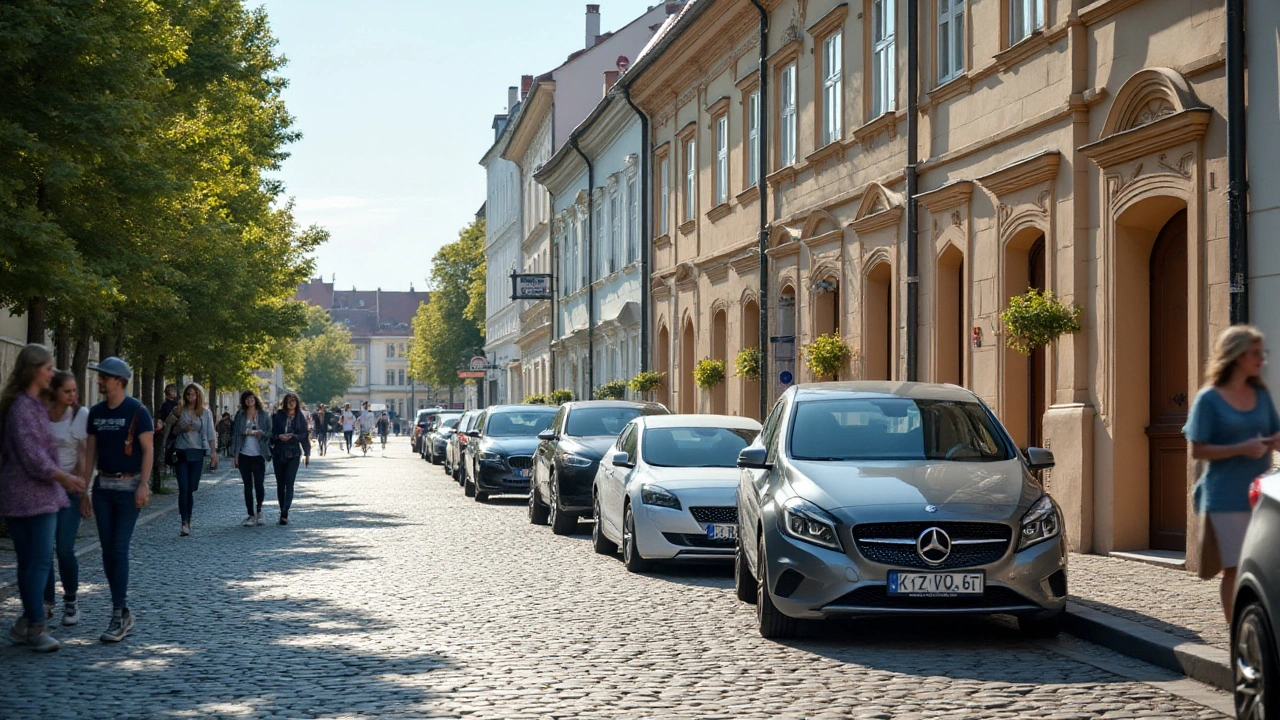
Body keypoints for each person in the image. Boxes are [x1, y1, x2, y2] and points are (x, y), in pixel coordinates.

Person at [1184, 325, 1280, 623]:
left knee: (1264, 566)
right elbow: (1198, 450)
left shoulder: (1261, 396)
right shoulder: (1209, 399)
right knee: (1236, 567)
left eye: (1261, 353)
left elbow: (1275, 432)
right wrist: (1241, 448)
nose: (1261, 359)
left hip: (1260, 495)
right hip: (1224, 497)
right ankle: (1237, 631)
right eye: (1255, 353)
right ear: (1236, 355)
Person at [0, 346, 86, 652]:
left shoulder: (32, 405)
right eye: (48, 368)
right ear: (34, 370)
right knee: (37, 562)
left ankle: (25, 623)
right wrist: (66, 478)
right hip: (31, 497)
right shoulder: (23, 407)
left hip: (29, 496)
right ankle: (35, 626)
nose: (52, 373)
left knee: (29, 563)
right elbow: (34, 458)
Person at [85, 356, 153, 643]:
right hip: (102, 489)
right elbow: (90, 453)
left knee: (119, 547)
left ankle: (118, 613)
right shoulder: (96, 412)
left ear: (119, 381)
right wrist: (85, 490)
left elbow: (148, 450)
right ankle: (121, 610)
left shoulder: (137, 411)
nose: (99, 381)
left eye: (104, 377)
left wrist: (144, 485)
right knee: (107, 551)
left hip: (129, 489)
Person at [43, 370, 91, 627]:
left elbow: (84, 455)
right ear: (55, 392)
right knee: (43, 549)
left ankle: (70, 601)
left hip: (71, 489)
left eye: (75, 391)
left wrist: (85, 492)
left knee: (64, 548)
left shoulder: (80, 415)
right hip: (44, 489)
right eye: (67, 391)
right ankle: (46, 601)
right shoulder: (42, 413)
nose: (73, 396)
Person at [162, 383, 218, 537]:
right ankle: (185, 521)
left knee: (192, 488)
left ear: (198, 396)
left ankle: (188, 517)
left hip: (197, 452)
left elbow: (211, 433)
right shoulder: (179, 410)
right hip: (181, 451)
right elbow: (169, 427)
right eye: (187, 394)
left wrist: (214, 453)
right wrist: (180, 428)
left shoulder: (205, 413)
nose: (190, 397)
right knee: (183, 489)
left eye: (193, 394)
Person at [232, 391, 272, 527]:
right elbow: (236, 434)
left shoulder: (264, 415)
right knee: (247, 485)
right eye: (246, 399)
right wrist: (235, 455)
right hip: (244, 454)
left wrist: (262, 433)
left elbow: (270, 432)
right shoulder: (240, 415)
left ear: (255, 399)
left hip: (259, 454)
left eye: (251, 398)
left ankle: (259, 509)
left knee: (259, 484)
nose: (249, 400)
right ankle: (250, 514)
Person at [270, 393, 310, 525]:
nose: (291, 402)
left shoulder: (300, 417)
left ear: (297, 403)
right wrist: (278, 437)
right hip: (279, 452)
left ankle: (285, 512)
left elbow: (304, 434)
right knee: (280, 484)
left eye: (294, 400)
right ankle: (282, 509)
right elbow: (271, 433)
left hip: (293, 453)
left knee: (290, 482)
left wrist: (307, 453)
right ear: (285, 402)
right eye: (289, 400)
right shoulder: (277, 416)